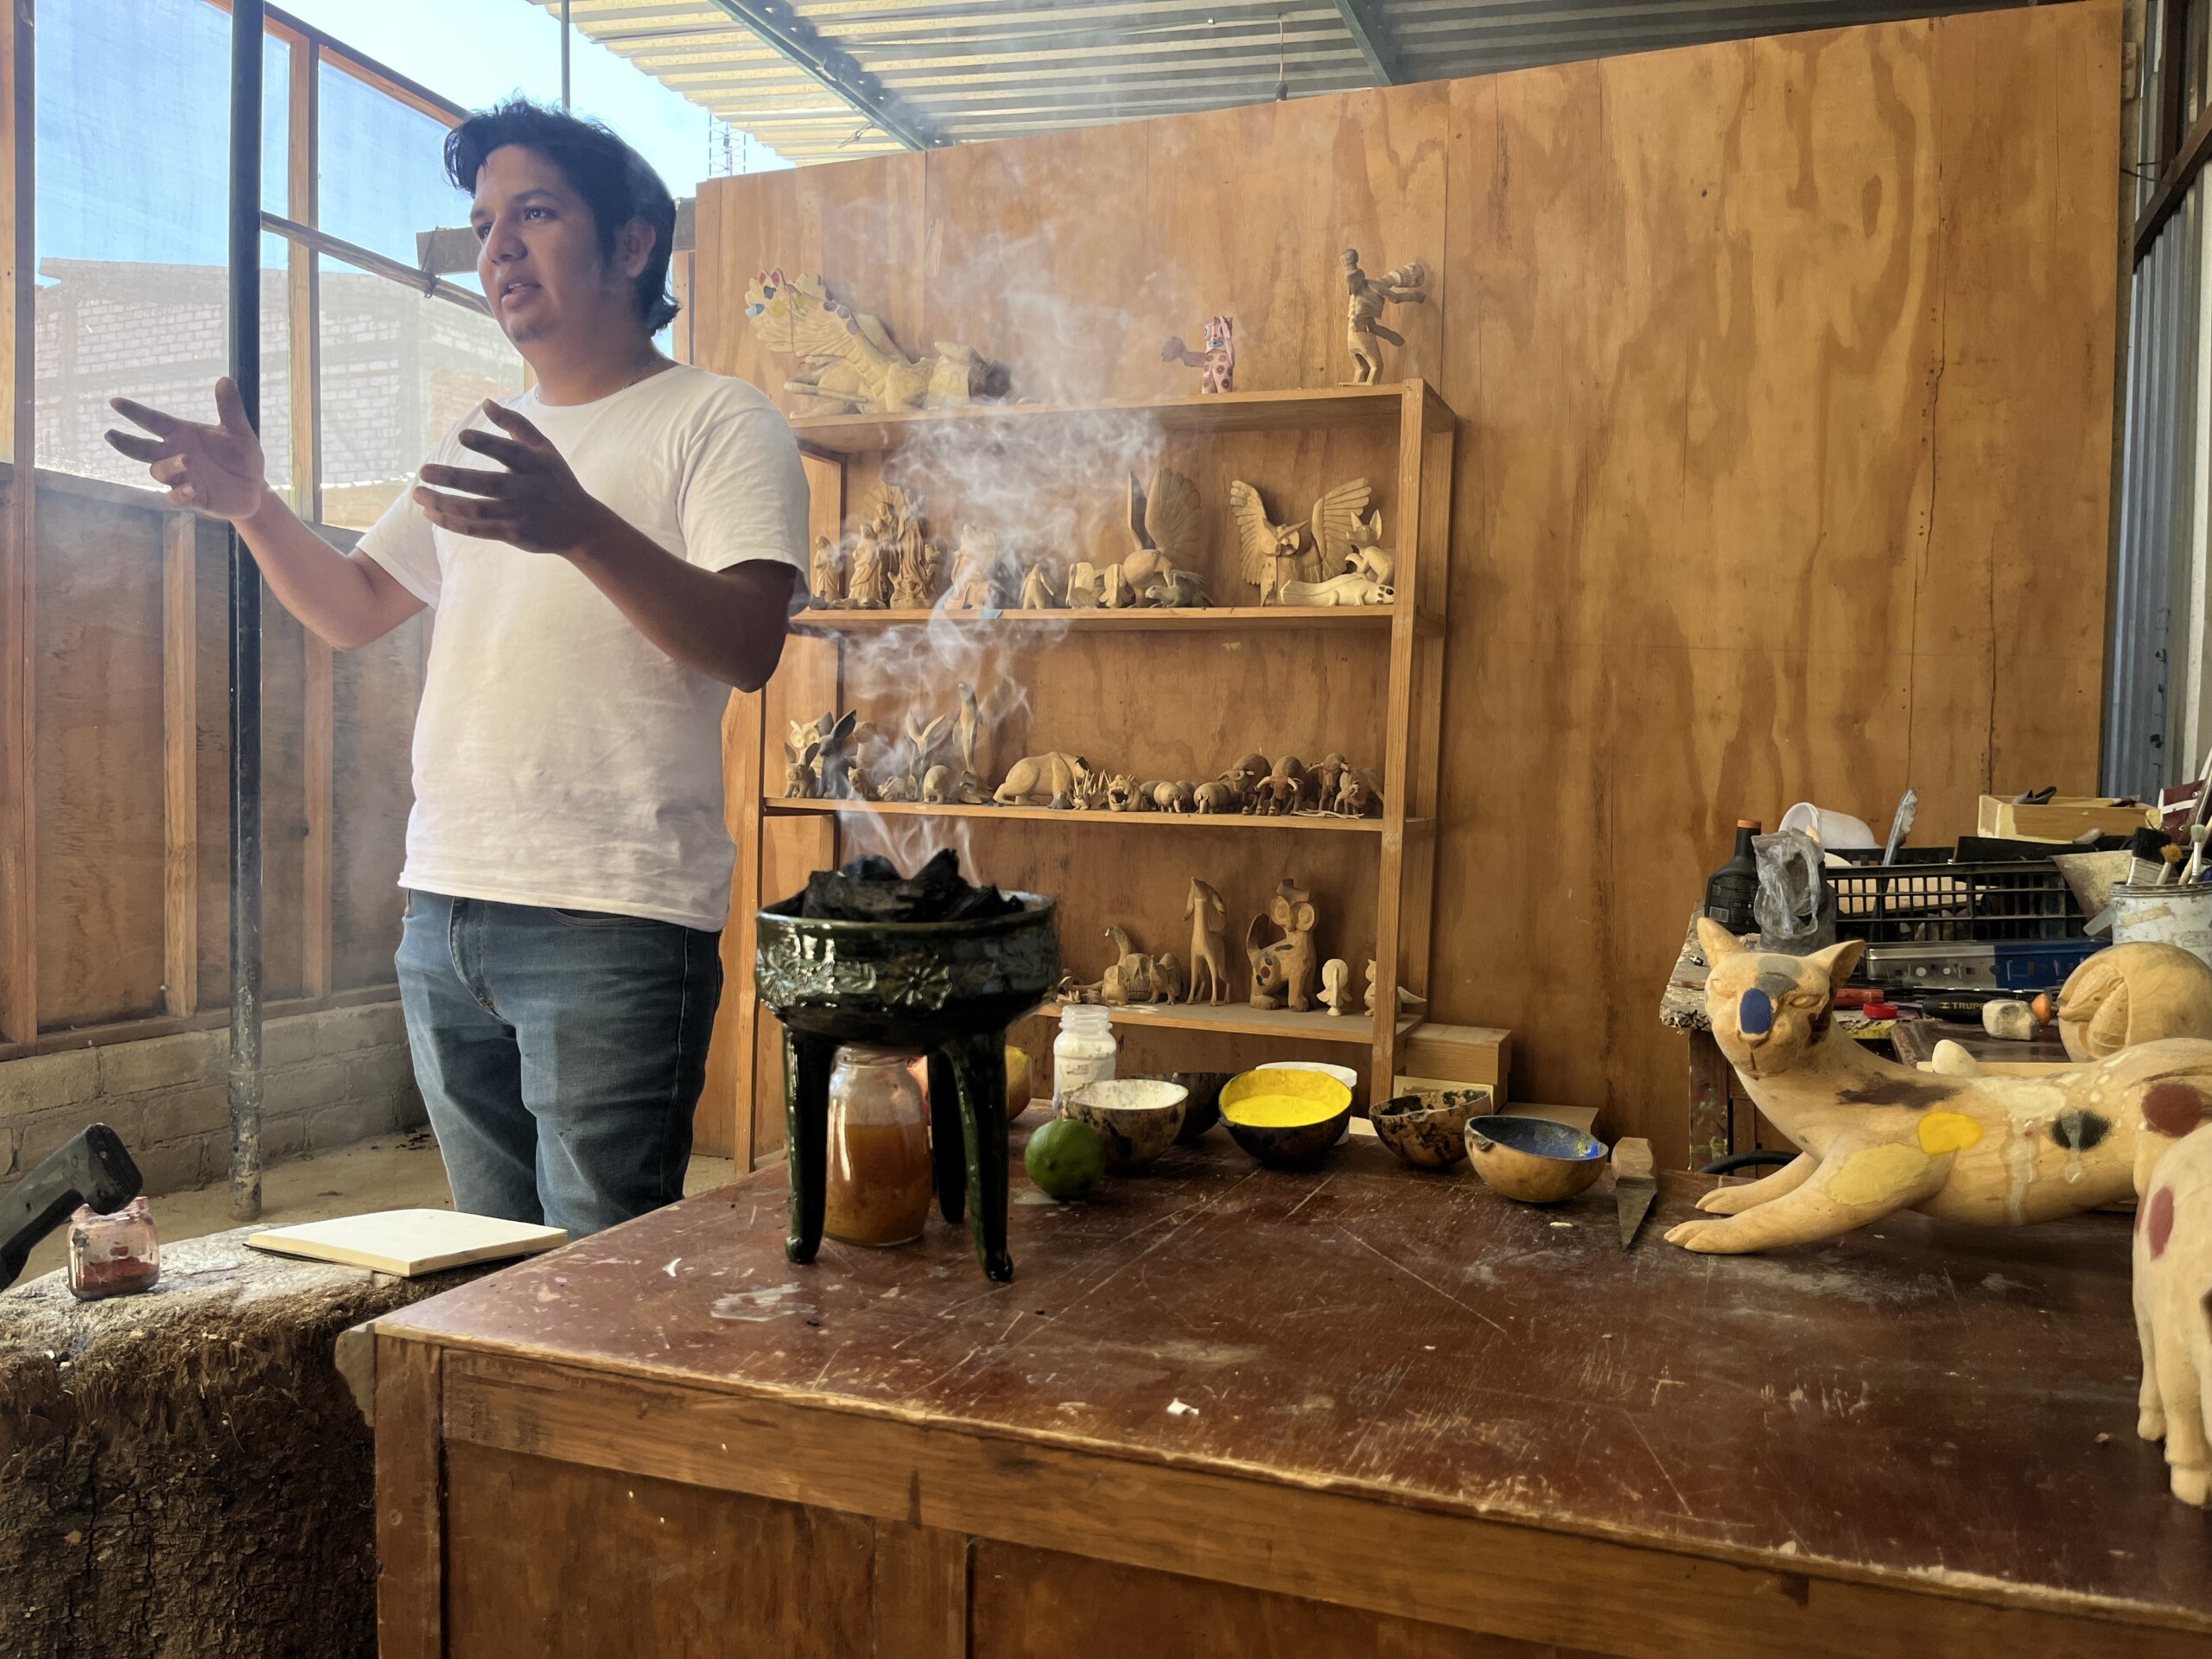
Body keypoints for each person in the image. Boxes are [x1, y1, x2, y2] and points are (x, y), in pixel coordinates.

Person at [104, 102, 809, 1237]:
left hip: (613, 915)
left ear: (633, 243)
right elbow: (352, 605)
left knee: (594, 1287)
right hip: (446, 914)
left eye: (535, 213)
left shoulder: (717, 421)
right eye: (484, 223)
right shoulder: (483, 436)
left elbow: (748, 641)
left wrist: (578, 525)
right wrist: (253, 509)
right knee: (484, 1274)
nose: (497, 249)